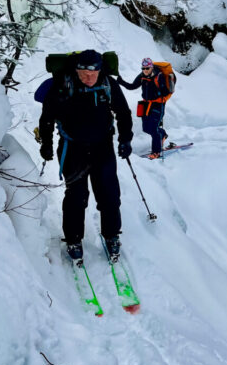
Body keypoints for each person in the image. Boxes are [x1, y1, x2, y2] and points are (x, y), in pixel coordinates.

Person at [38, 49, 133, 263]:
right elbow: (47, 117)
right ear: (76, 70)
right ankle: (73, 239)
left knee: (109, 194)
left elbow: (123, 112)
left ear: (100, 70)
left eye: (93, 73)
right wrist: (47, 143)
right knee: (76, 197)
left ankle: (112, 236)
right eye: (83, 73)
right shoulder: (63, 85)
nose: (88, 78)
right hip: (73, 149)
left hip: (103, 147)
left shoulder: (108, 84)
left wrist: (125, 139)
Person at [119, 58, 173, 159]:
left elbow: (166, 92)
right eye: (143, 68)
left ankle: (156, 152)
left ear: (151, 67)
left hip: (158, 105)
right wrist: (121, 82)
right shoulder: (142, 76)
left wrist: (161, 90)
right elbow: (132, 86)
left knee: (153, 128)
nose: (145, 70)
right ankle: (163, 134)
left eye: (147, 68)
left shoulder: (159, 76)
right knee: (146, 128)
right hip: (145, 104)